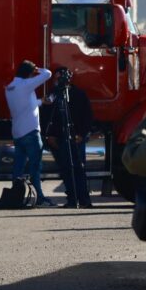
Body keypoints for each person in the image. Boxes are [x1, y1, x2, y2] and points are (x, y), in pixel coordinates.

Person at [42, 67, 93, 208]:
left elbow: (87, 117)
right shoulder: (53, 95)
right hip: (60, 139)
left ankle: (84, 200)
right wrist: (50, 135)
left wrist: (81, 135)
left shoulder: (78, 94)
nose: (57, 82)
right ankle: (71, 198)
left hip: (76, 138)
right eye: (56, 79)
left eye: (60, 78)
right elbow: (47, 116)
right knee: (66, 169)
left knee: (79, 169)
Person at [5, 60, 53, 206]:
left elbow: (23, 104)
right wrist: (37, 69)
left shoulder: (10, 87)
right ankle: (39, 197)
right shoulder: (26, 84)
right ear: (29, 73)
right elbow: (48, 74)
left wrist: (39, 102)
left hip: (18, 133)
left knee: (18, 168)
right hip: (31, 132)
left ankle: (16, 196)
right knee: (35, 167)